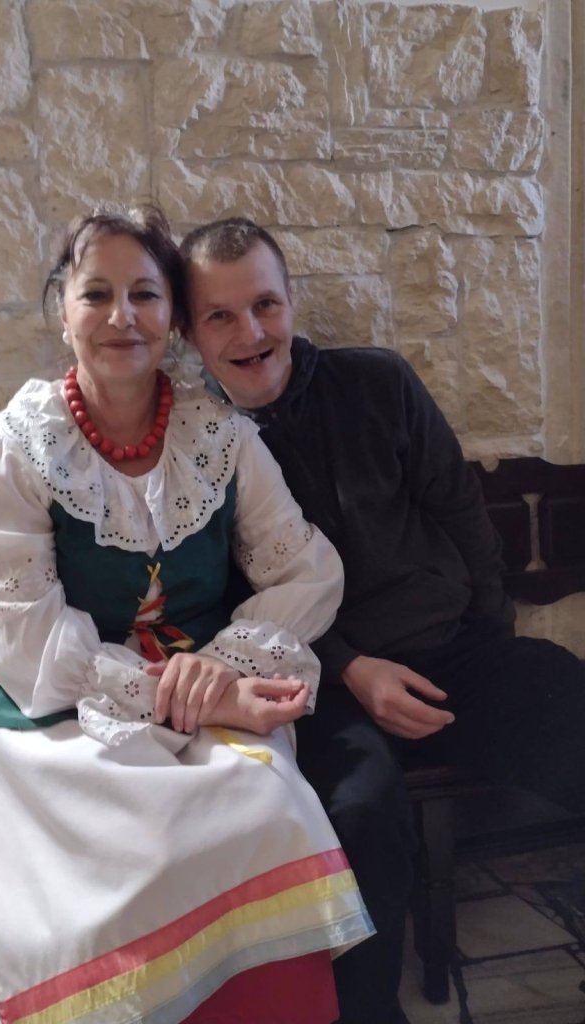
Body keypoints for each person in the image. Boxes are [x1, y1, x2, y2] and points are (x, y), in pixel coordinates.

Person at [0, 205, 374, 1024]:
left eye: (145, 294)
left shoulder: (221, 438)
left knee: (261, 807)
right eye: (96, 294)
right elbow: (28, 645)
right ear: (61, 310)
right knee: (116, 845)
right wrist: (190, 698)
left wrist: (221, 668)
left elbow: (308, 570)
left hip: (210, 681)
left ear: (172, 316)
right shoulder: (8, 453)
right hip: (64, 708)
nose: (122, 316)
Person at [179, 216, 585, 1024]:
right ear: (190, 334)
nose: (250, 334)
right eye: (220, 315)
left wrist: (490, 633)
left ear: (291, 301)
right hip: (319, 685)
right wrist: (349, 667)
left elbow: (460, 512)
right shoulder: (198, 444)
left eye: (264, 305)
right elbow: (221, 595)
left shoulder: (379, 383)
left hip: (453, 654)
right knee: (358, 814)